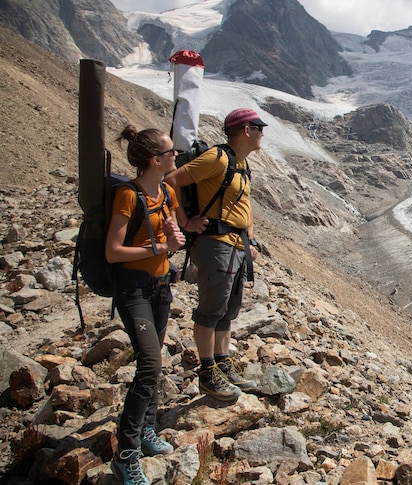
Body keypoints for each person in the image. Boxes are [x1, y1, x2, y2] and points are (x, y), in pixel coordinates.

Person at [165, 108, 263, 401]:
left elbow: (245, 205)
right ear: (245, 130)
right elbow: (171, 181)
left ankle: (222, 364)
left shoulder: (242, 165)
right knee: (210, 310)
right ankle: (207, 374)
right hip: (215, 243)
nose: (262, 132)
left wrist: (251, 240)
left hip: (235, 244)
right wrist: (184, 222)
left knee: (227, 309)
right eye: (258, 126)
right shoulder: (218, 158)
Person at [107, 126, 186, 485]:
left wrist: (173, 238)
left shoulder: (166, 193)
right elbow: (114, 251)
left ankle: (148, 430)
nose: (176, 156)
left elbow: (172, 238)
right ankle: (126, 455)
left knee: (154, 364)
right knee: (150, 364)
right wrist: (159, 248)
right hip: (134, 289)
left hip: (160, 287)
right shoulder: (128, 194)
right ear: (156, 160)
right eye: (171, 153)